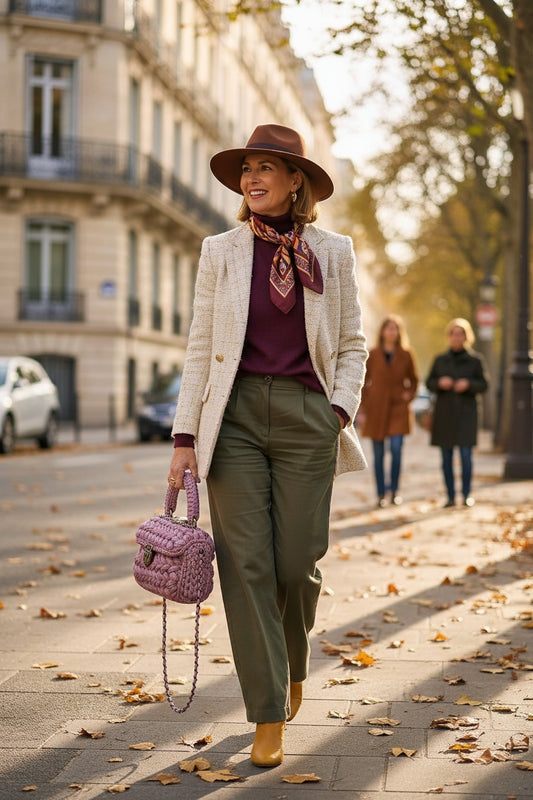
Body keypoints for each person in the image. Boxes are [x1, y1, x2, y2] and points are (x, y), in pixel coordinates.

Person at [166, 124, 368, 767]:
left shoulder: (333, 252)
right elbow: (201, 344)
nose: (252, 178)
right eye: (246, 168)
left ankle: (293, 662)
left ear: (295, 181)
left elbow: (354, 341)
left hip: (310, 415)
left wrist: (336, 409)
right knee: (247, 565)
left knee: (296, 563)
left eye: (266, 168)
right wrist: (184, 436)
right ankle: (268, 710)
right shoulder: (220, 251)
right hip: (237, 418)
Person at [426, 318, 488, 508]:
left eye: (460, 334)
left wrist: (468, 384)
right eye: (454, 333)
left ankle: (467, 494)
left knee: (466, 456)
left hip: (467, 415)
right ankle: (451, 496)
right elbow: (429, 382)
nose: (457, 337)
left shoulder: (475, 360)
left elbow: (484, 384)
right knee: (446, 458)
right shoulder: (440, 359)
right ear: (449, 336)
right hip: (445, 414)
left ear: (466, 337)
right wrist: (440, 383)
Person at [359, 315, 418, 507]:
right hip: (376, 408)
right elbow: (362, 381)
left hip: (398, 409)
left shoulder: (406, 354)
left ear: (399, 332)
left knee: (396, 449)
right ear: (383, 332)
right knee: (378, 454)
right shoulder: (373, 354)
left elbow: (414, 380)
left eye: (395, 328)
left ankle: (394, 491)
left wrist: (408, 395)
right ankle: (381, 494)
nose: (392, 332)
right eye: (389, 328)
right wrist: (362, 407)